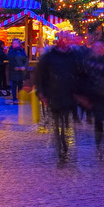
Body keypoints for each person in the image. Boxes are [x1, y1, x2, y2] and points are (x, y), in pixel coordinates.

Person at [34, 33, 82, 162]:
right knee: (56, 121)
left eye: (66, 39)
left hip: (68, 92)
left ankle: (64, 142)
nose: (64, 42)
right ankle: (60, 145)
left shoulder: (74, 56)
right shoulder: (49, 57)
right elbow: (40, 76)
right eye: (62, 39)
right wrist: (41, 92)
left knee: (65, 119)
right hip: (54, 93)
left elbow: (80, 74)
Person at [7, 38, 28, 104]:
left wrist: (24, 67)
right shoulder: (11, 51)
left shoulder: (22, 51)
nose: (15, 44)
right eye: (14, 43)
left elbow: (25, 59)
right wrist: (15, 67)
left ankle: (20, 98)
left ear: (19, 44)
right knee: (14, 85)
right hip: (14, 71)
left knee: (20, 85)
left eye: (16, 43)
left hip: (21, 71)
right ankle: (14, 98)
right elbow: (11, 60)